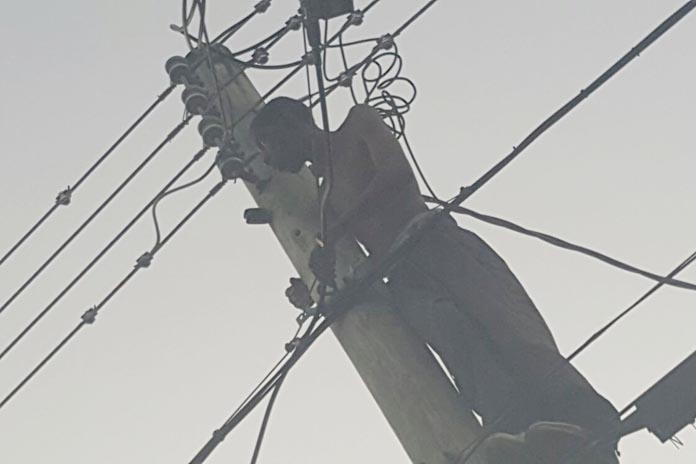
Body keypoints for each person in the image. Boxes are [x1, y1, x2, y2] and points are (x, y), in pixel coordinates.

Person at [250, 97, 621, 463]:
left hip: (433, 240)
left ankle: (587, 424)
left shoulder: (357, 124)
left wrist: (337, 231)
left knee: (511, 329)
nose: (267, 159)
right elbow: (341, 262)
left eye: (266, 145)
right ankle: (523, 435)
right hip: (402, 278)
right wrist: (311, 283)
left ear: (288, 124)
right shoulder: (323, 199)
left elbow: (396, 174)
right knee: (462, 348)